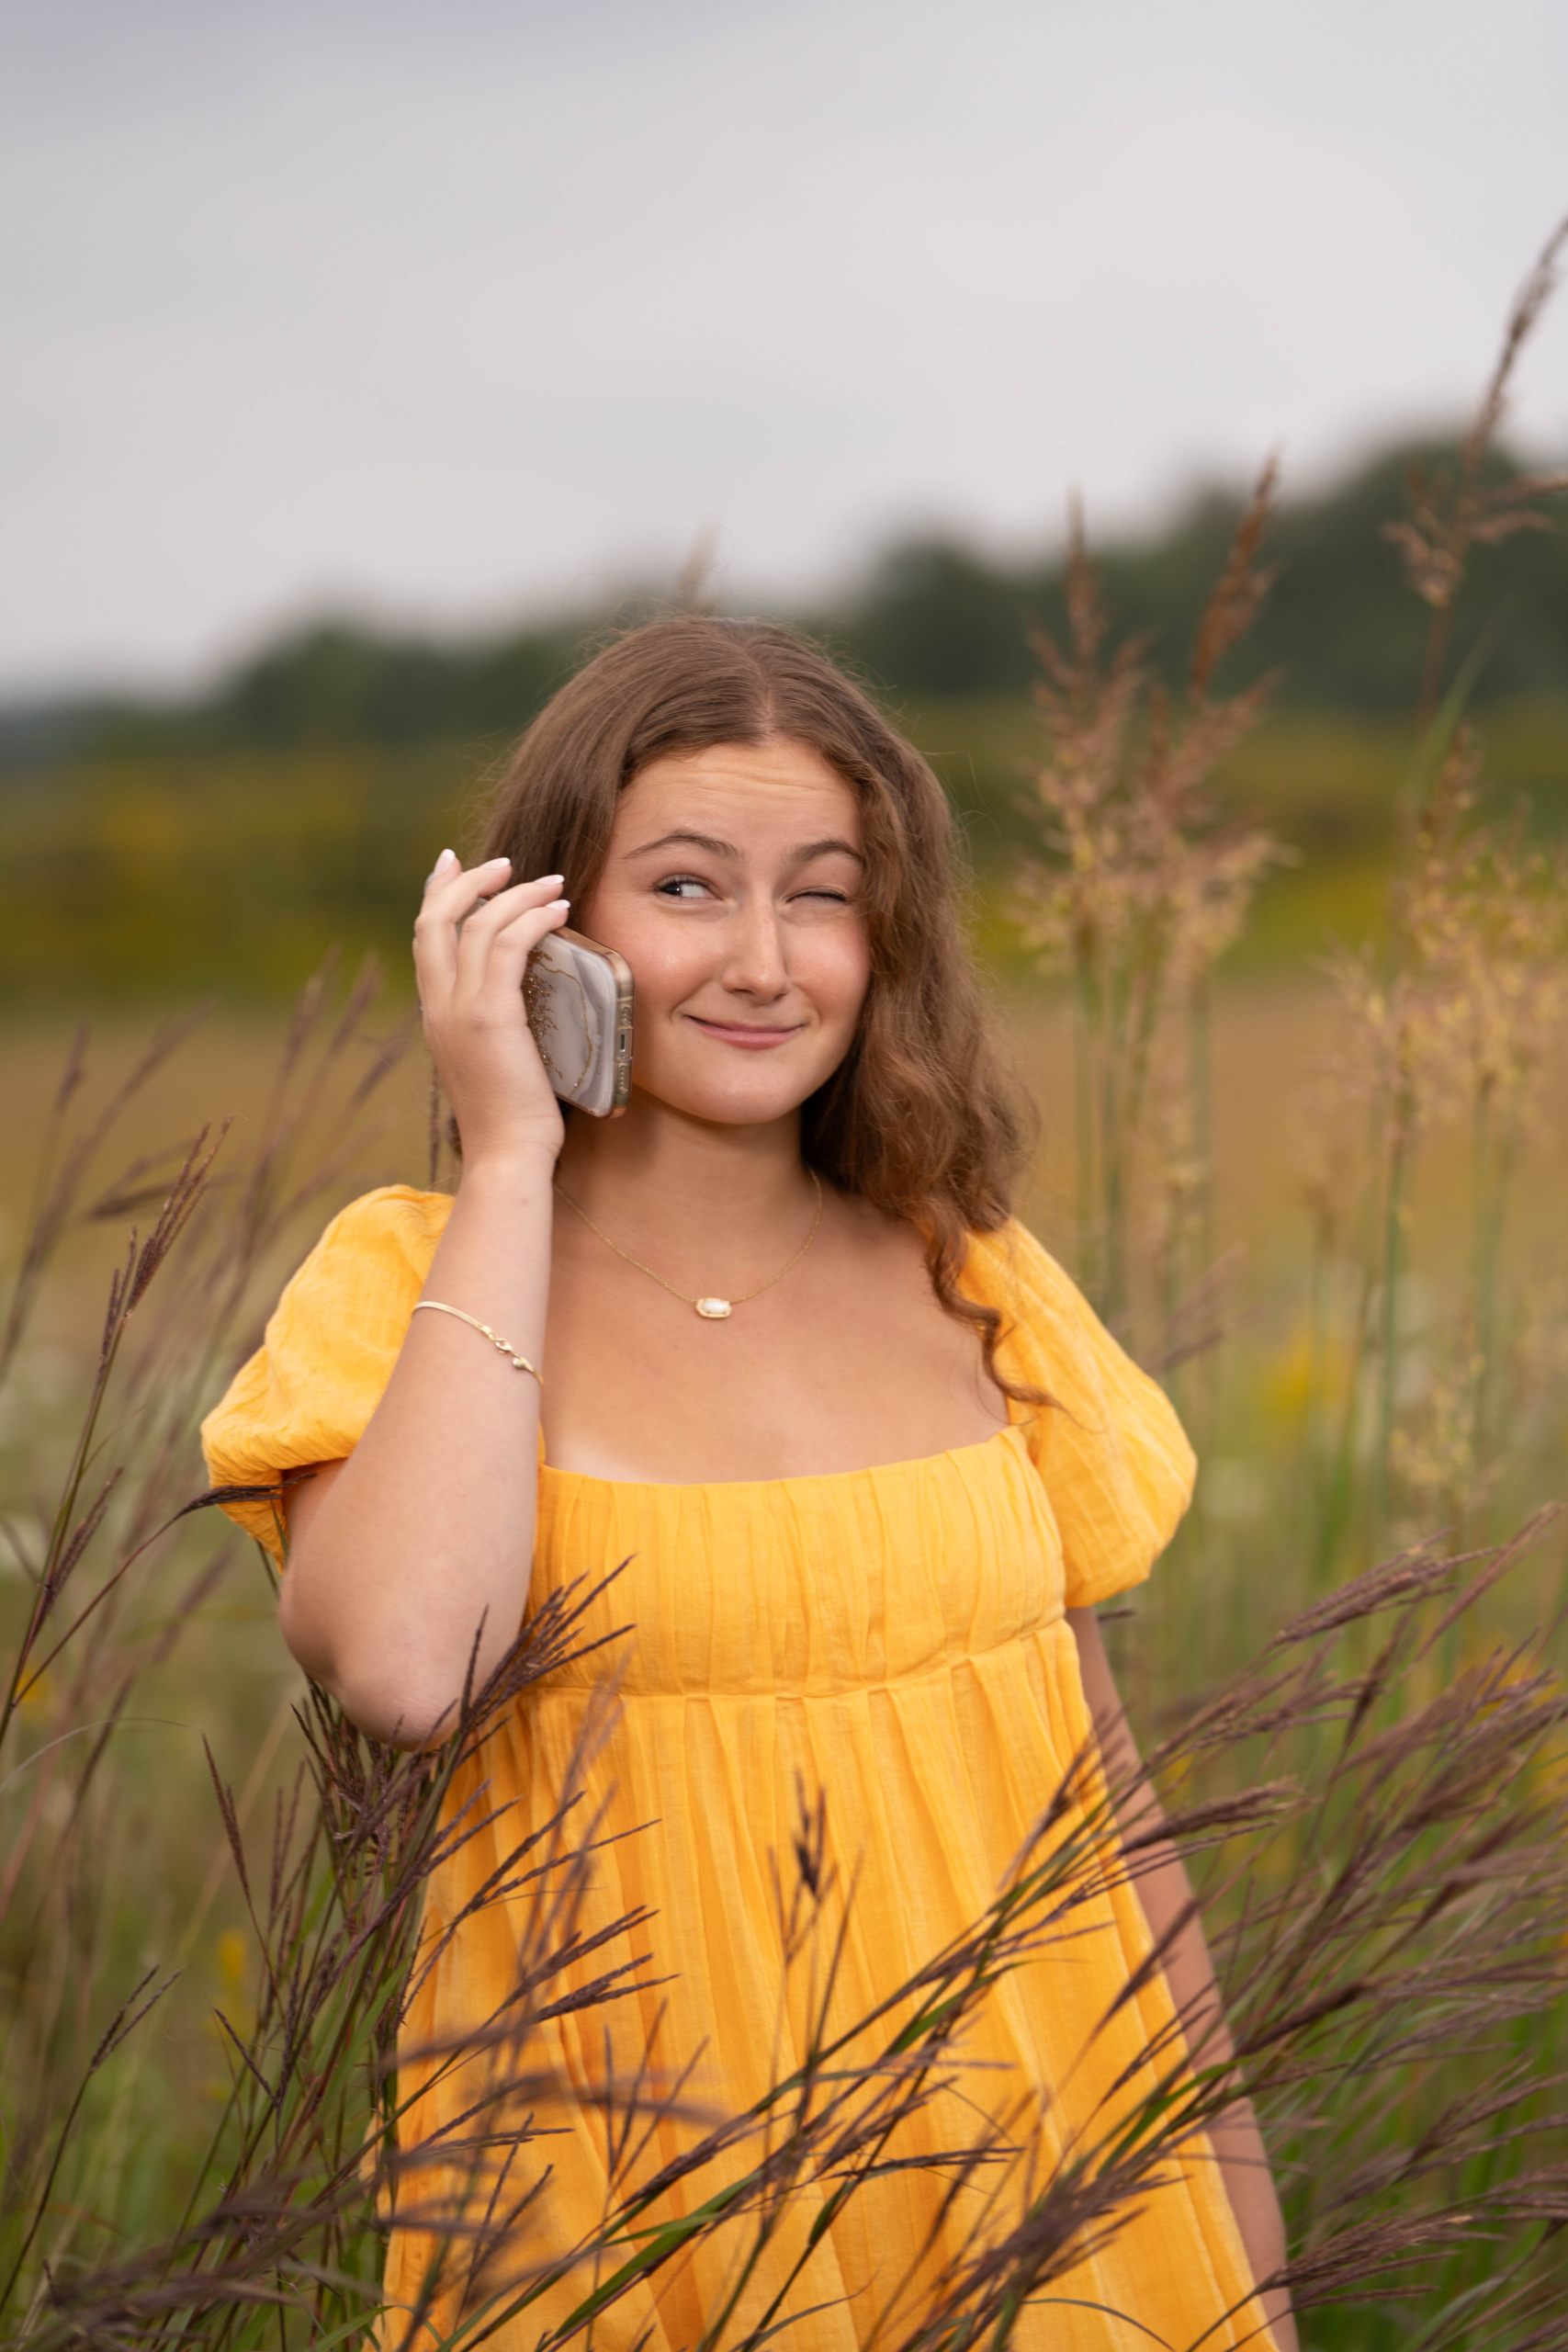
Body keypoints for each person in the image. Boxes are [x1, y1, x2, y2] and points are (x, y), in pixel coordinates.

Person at [202, 617, 1294, 2351]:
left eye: (828, 893)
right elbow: (409, 1665)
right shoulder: (413, 1285)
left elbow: (1121, 1835)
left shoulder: (977, 1276)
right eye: (692, 888)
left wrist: (1242, 2249)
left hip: (1052, 2188)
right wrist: (509, 1154)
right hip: (630, 2214)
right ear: (552, 925)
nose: (769, 961)